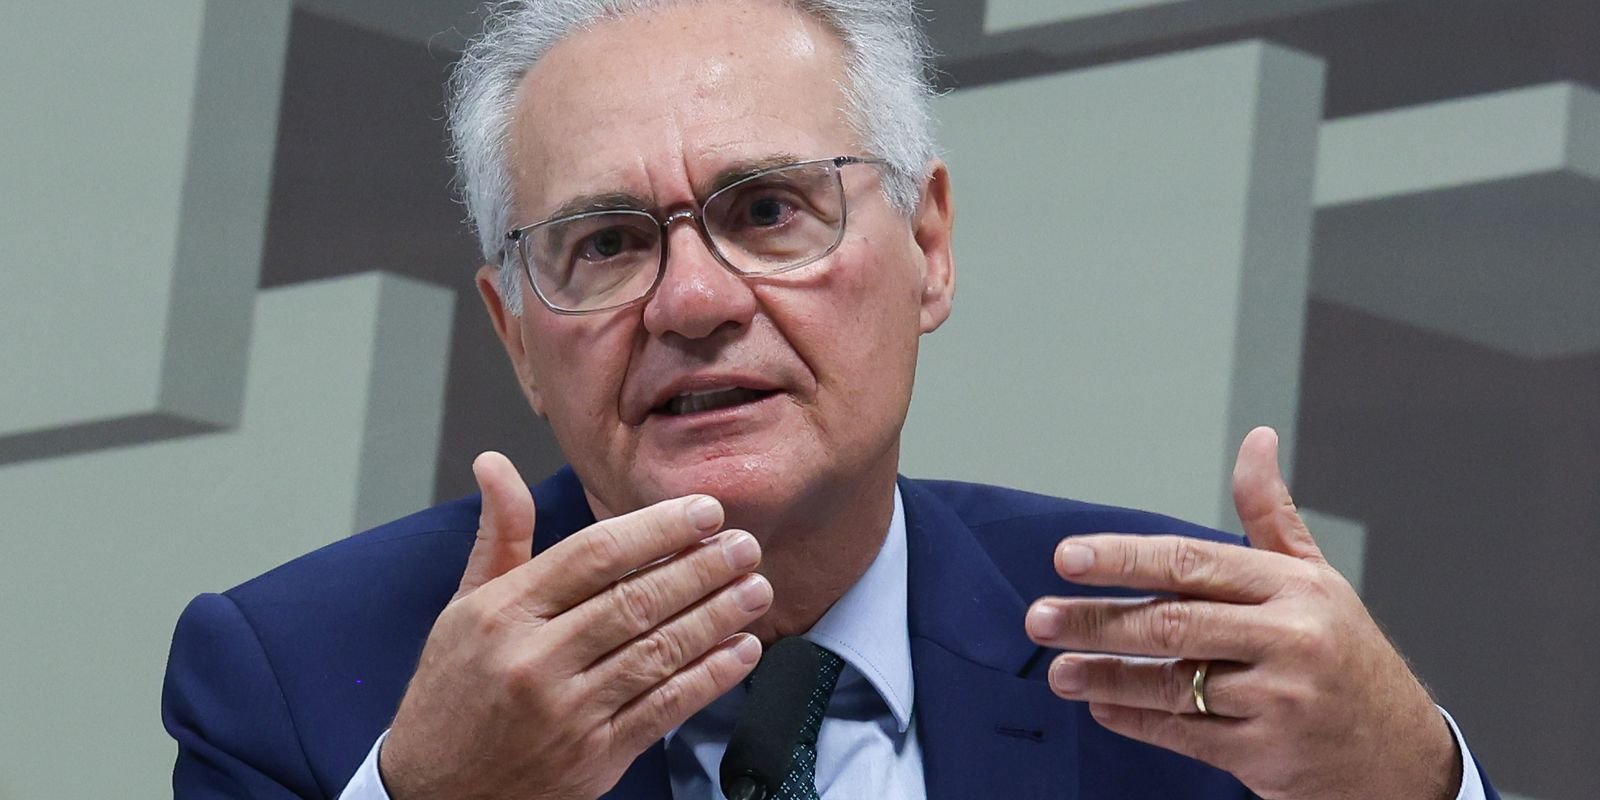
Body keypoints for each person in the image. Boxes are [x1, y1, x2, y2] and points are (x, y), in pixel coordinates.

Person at [162, 1, 1499, 798]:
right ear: (517, 334)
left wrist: (1409, 784)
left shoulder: (1194, 666)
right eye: (607, 244)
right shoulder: (298, 684)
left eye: (766, 211)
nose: (692, 301)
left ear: (929, 247)